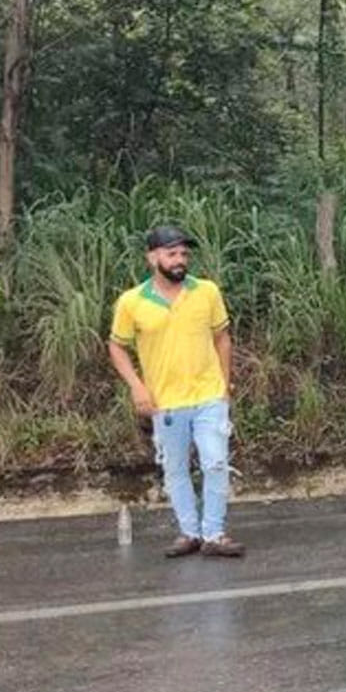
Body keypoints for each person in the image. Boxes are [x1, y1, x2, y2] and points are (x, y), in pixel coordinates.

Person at [107, 225, 245, 558]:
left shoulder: (206, 291)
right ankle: (189, 533)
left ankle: (214, 533)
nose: (180, 260)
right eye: (172, 253)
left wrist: (225, 383)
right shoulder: (132, 302)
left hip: (209, 395)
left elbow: (222, 337)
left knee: (214, 463)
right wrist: (137, 387)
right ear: (152, 257)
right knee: (175, 469)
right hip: (165, 402)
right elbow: (116, 347)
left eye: (184, 253)